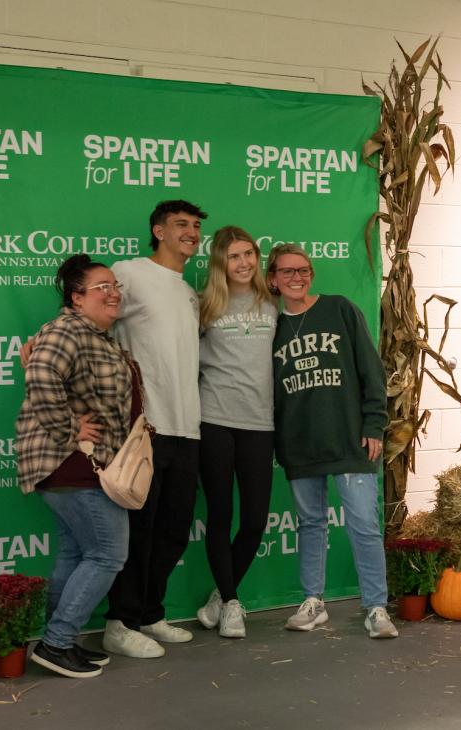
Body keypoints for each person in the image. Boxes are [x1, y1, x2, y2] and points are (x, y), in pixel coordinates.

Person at [16, 254, 142, 678]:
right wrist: (70, 428)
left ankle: (57, 640)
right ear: (76, 297)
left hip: (81, 464)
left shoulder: (99, 336)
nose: (113, 293)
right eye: (102, 287)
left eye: (115, 286)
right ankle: (56, 644)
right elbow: (41, 377)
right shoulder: (66, 329)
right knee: (108, 553)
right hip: (73, 463)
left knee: (75, 550)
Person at [266, 243, 398, 639]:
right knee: (309, 523)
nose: (297, 277)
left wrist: (375, 422)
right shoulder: (270, 328)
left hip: (349, 439)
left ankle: (376, 607)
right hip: (300, 443)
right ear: (272, 279)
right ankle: (313, 602)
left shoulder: (339, 309)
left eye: (303, 270)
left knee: (363, 524)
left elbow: (370, 369)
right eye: (287, 271)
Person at [103, 200, 207, 659]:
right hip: (148, 427)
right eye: (181, 225)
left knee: (173, 531)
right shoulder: (130, 272)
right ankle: (118, 623)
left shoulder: (187, 290)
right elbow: (91, 312)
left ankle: (149, 613)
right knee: (139, 532)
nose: (191, 232)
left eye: (196, 226)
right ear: (158, 230)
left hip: (188, 427)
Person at [195, 226, 277, 639]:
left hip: (260, 423)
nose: (243, 263)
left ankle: (218, 596)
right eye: (233, 256)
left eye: (248, 254)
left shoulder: (273, 303)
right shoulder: (205, 306)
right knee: (221, 515)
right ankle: (231, 602)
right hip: (215, 419)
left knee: (255, 520)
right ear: (219, 263)